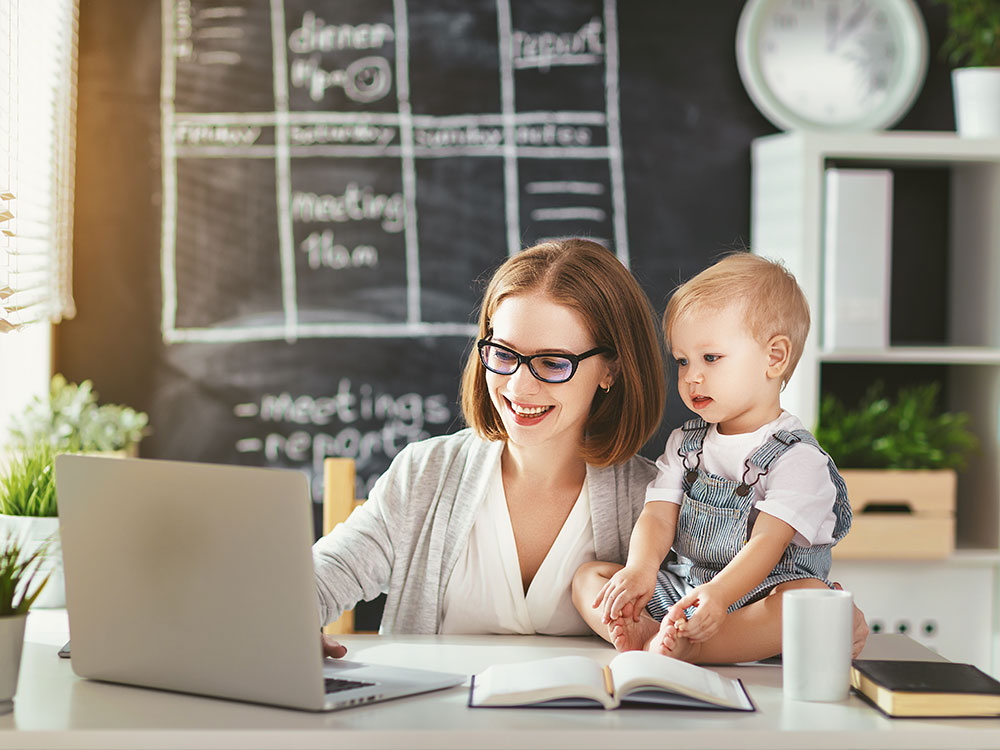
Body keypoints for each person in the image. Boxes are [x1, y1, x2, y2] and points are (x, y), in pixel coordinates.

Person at [313, 238, 666, 657]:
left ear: (612, 369)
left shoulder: (657, 502)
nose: (518, 386)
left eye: (552, 363)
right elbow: (327, 573)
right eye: (502, 353)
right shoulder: (426, 473)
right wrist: (287, 620)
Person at [572, 251, 862, 664]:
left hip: (755, 600)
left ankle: (694, 648)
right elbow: (657, 515)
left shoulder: (799, 459)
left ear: (774, 357)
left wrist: (720, 596)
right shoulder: (685, 444)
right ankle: (653, 633)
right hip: (687, 590)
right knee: (590, 578)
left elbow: (766, 543)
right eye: (683, 361)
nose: (692, 376)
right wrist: (640, 570)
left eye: (711, 358)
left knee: (809, 599)